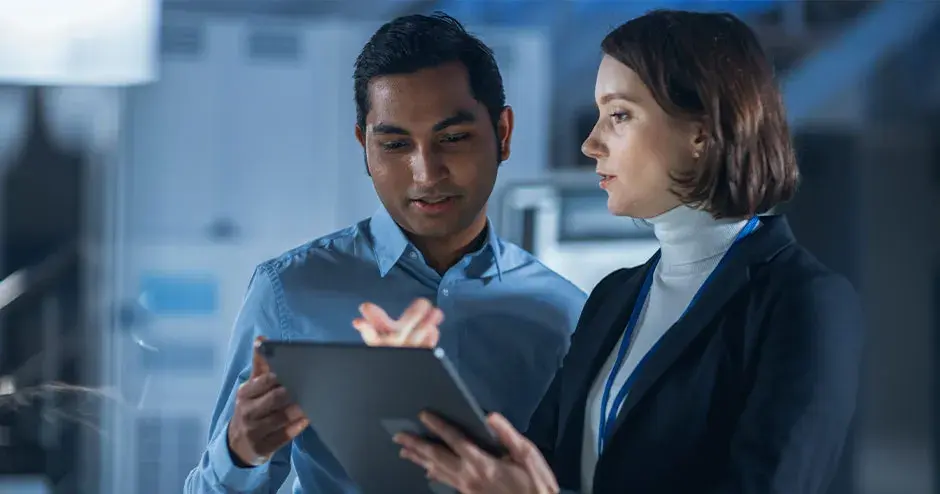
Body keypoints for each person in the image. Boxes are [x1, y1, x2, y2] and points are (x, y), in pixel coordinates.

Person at [360, 9, 864, 494]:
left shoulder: (803, 302)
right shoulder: (615, 297)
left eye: (619, 115)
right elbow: (529, 466)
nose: (591, 143)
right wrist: (416, 386)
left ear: (701, 133)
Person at [183, 12, 587, 494]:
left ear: (502, 133)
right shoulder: (288, 292)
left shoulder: (567, 316)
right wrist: (240, 451)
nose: (425, 172)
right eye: (395, 144)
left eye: (453, 138)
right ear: (364, 147)